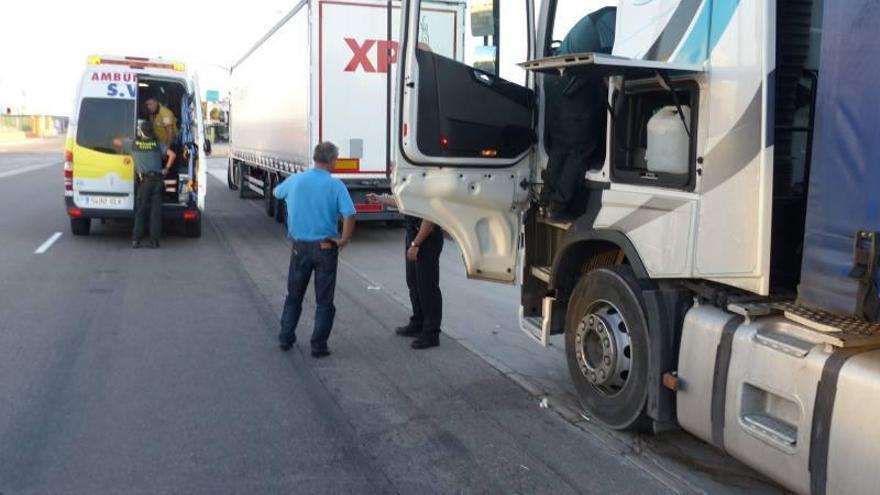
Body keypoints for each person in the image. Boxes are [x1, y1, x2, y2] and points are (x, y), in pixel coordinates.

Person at [275, 142, 356, 358]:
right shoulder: (335, 185)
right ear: (332, 160)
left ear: (314, 157)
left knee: (294, 295)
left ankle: (286, 336)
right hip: (326, 246)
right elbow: (349, 214)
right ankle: (318, 345)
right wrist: (344, 239)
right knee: (324, 300)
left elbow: (277, 193)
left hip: (299, 247)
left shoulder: (296, 180)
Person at [541, 7, 616, 219]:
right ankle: (558, 207)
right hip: (571, 85)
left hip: (555, 78)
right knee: (580, 150)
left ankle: (545, 202)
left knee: (561, 146)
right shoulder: (614, 22)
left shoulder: (603, 18)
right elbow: (615, 64)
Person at [366, 193, 443, 349]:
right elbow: (404, 203)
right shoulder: (410, 183)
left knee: (427, 286)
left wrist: (416, 244)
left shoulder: (426, 183)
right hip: (413, 233)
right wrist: (381, 199)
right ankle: (418, 323)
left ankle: (431, 334)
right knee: (413, 282)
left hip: (426, 238)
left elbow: (430, 219)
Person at [131, 119, 176, 249]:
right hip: (158, 180)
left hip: (144, 182)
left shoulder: (134, 144)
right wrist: (166, 169)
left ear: (141, 131)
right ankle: (154, 241)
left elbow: (116, 142)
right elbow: (172, 155)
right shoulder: (157, 144)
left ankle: (136, 240)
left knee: (141, 211)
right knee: (156, 212)